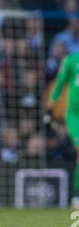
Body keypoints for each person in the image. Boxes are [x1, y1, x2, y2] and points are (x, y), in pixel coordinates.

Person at [45, 53, 79, 209]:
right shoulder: (70, 60)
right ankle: (76, 196)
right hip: (74, 115)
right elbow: (60, 84)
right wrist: (50, 106)